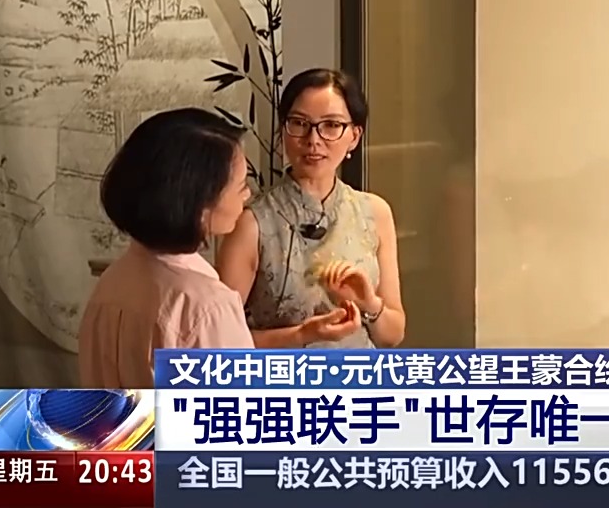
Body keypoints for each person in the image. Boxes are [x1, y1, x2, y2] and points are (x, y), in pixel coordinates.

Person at [216, 68, 407, 348]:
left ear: (354, 136)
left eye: (331, 125)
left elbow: (393, 335)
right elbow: (219, 341)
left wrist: (369, 303)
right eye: (299, 123)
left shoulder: (375, 212)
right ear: (283, 130)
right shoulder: (252, 222)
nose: (313, 140)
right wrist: (302, 335)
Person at [77, 108, 265, 388]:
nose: (247, 195)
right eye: (240, 186)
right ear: (199, 204)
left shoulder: (112, 281)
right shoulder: (207, 308)